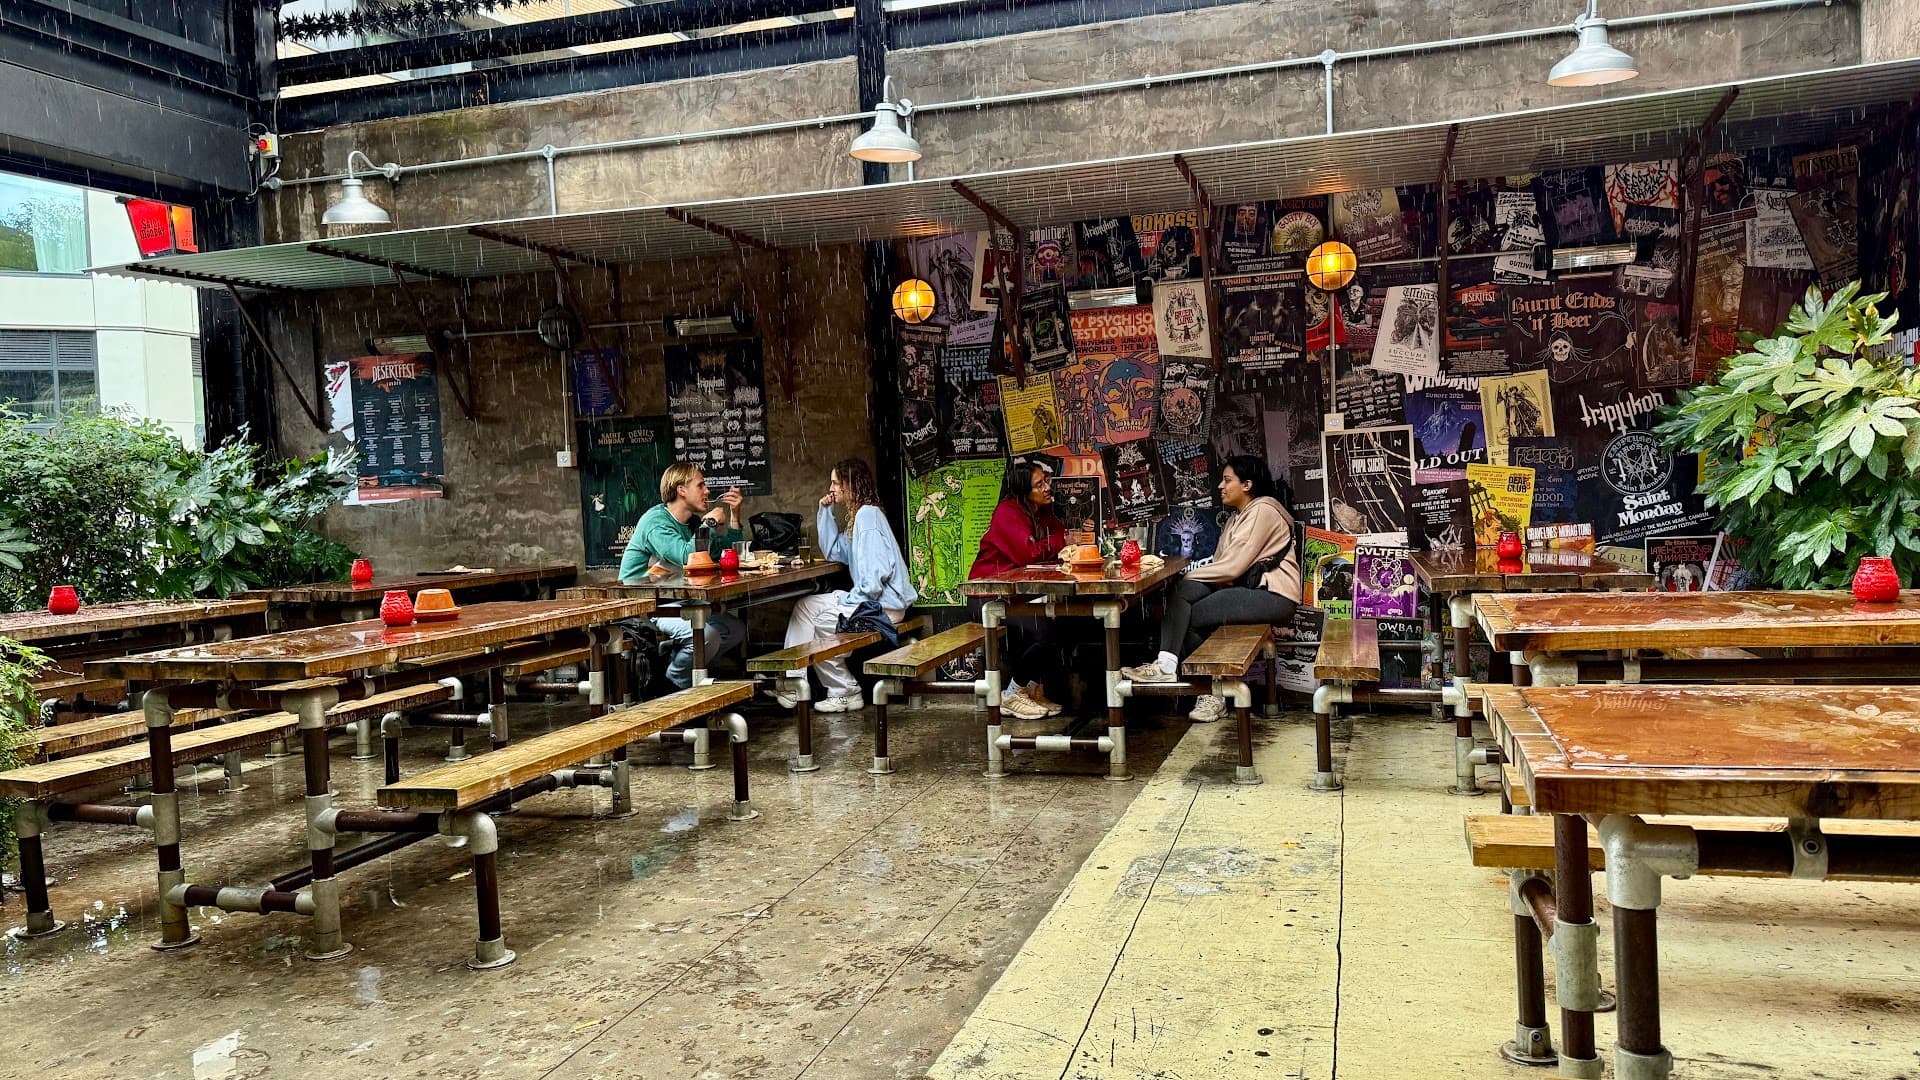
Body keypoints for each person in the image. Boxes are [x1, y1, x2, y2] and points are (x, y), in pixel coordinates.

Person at [1122, 455, 1300, 723]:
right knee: (1180, 593)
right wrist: (1183, 578)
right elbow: (1220, 567)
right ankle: (1169, 666)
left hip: (1273, 595)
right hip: (1244, 590)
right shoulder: (1233, 521)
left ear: (1248, 485)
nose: (1220, 486)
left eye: (1228, 480)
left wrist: (1188, 572)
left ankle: (1212, 692)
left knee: (1188, 616)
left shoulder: (1264, 510)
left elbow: (1232, 568)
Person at [777, 459, 918, 713]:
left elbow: (874, 578)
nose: (831, 488)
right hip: (870, 600)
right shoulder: (858, 516)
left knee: (821, 623)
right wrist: (825, 511)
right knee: (805, 606)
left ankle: (842, 690)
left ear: (848, 485)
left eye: (835, 482)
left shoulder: (868, 516)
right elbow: (834, 552)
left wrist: (848, 600)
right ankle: (795, 683)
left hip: (882, 606)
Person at [618, 462, 748, 689]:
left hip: (679, 600)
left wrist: (734, 515)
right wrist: (710, 522)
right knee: (708, 635)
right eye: (701, 485)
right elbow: (685, 556)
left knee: (735, 630)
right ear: (681, 489)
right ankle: (674, 683)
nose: (707, 491)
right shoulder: (656, 522)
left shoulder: (691, 524)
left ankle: (680, 670)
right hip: (646, 606)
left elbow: (725, 553)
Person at [968, 458, 1072, 721]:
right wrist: (1061, 541)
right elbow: (1029, 554)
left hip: (1018, 594)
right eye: (1039, 484)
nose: (1047, 488)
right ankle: (1012, 694)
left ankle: (1032, 691)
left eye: (1046, 481)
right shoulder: (1007, 512)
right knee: (1042, 630)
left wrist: (1063, 541)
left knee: (1061, 624)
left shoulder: (1040, 512)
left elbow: (1060, 536)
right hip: (988, 595)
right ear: (1023, 491)